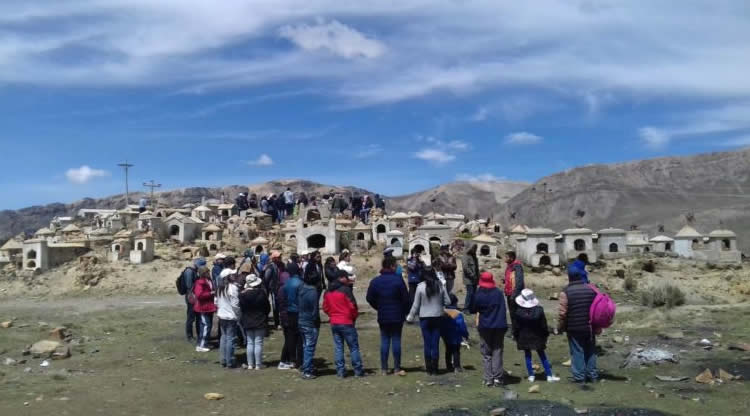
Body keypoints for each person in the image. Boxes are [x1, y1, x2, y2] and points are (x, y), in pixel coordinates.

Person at [367, 257, 410, 376]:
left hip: (383, 315)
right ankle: (396, 368)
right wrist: (404, 311)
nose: (397, 267)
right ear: (391, 266)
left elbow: (369, 298)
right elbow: (406, 299)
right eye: (396, 265)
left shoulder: (376, 281)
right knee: (396, 340)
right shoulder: (398, 281)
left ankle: (384, 369)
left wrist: (378, 306)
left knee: (384, 340)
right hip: (397, 315)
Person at [406, 267, 451, 376]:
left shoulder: (420, 287)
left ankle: (428, 368)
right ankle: (435, 369)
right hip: (438, 317)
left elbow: (415, 305)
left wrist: (410, 318)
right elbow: (448, 301)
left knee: (427, 343)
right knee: (435, 343)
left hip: (424, 318)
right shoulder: (440, 285)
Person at [558, 268, 598, 384]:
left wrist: (560, 327)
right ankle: (592, 375)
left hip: (574, 327)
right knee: (590, 351)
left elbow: (562, 313)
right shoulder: (591, 289)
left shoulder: (566, 291)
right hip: (589, 326)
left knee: (577, 351)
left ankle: (580, 377)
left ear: (569, 277)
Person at [470, 272, 508, 387]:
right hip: (499, 325)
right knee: (497, 351)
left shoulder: (479, 294)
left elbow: (472, 309)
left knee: (487, 353)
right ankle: (498, 378)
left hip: (485, 326)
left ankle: (488, 378)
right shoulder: (498, 293)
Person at [513, 289, 560, 383]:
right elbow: (543, 325)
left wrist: (516, 336)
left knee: (527, 356)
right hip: (538, 336)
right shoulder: (539, 310)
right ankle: (549, 376)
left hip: (524, 336)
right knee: (542, 356)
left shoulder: (518, 312)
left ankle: (531, 376)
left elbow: (516, 327)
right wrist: (545, 335)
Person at [323, 270, 364, 378]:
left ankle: (340, 371)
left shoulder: (328, 292)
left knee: (338, 347)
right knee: (353, 347)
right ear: (341, 278)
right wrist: (353, 317)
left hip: (334, 322)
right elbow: (353, 307)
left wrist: (332, 315)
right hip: (346, 322)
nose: (347, 279)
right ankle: (358, 370)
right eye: (346, 277)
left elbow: (325, 307)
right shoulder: (345, 290)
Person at [239, 274, 270, 370]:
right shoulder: (262, 294)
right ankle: (258, 364)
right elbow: (267, 308)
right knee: (258, 343)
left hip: (247, 320)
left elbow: (241, 308)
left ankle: (250, 364)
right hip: (259, 319)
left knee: (250, 343)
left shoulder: (242, 295)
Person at [278, 263, 303, 370]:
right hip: (298, 312)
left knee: (290, 338)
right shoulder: (301, 283)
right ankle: (297, 360)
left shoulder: (285, 285)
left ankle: (292, 359)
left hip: (288, 313)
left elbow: (281, 301)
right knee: (298, 339)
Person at [298, 268, 321, 380]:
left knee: (305, 345)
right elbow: (314, 310)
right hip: (309, 323)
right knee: (310, 347)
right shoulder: (313, 291)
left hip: (301, 320)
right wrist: (315, 321)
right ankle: (307, 370)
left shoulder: (302, 288)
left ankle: (307, 366)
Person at [216, 271, 241, 368]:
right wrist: (239, 315)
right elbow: (235, 304)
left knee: (224, 337)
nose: (234, 275)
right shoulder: (232, 288)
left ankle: (223, 359)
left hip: (222, 315)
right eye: (232, 274)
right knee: (230, 338)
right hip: (231, 316)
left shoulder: (220, 288)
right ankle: (230, 360)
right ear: (228, 277)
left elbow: (216, 301)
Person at [441, 294, 469, 373]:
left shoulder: (443, 313)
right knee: (456, 351)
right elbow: (461, 326)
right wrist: (465, 335)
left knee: (448, 350)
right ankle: (457, 366)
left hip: (446, 335)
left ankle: (448, 366)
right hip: (456, 336)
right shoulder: (458, 313)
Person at [193, 266, 217, 352]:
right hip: (203, 307)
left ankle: (204, 343)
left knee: (207, 325)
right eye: (207, 272)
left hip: (209, 307)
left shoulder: (209, 280)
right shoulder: (199, 283)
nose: (209, 273)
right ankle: (201, 345)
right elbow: (199, 295)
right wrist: (211, 293)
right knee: (206, 326)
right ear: (203, 273)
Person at [183, 258, 205, 343]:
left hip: (194, 296)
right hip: (191, 297)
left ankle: (199, 335)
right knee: (191, 317)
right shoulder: (189, 271)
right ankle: (189, 336)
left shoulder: (194, 271)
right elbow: (189, 286)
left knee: (198, 317)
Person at [503, 251, 525, 334]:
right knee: (512, 313)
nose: (505, 259)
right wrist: (505, 281)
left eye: (506, 257)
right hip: (509, 293)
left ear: (511, 258)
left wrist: (514, 294)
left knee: (515, 313)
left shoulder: (517, 266)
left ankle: (517, 332)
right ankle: (515, 330)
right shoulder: (509, 266)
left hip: (514, 294)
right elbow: (511, 278)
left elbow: (519, 281)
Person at [263, 251, 282, 329]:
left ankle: (276, 322)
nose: (280, 258)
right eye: (278, 257)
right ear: (274, 258)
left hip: (275, 288)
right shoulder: (270, 266)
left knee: (276, 306)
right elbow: (266, 278)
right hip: (271, 289)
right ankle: (275, 323)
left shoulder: (276, 265)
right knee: (274, 306)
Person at [461, 244, 479, 313]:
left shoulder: (474, 257)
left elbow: (476, 268)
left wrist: (477, 277)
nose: (475, 250)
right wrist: (472, 275)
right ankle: (466, 308)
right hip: (468, 279)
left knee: (474, 294)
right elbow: (465, 268)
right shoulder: (465, 256)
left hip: (475, 279)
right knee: (470, 293)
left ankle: (472, 308)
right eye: (474, 248)